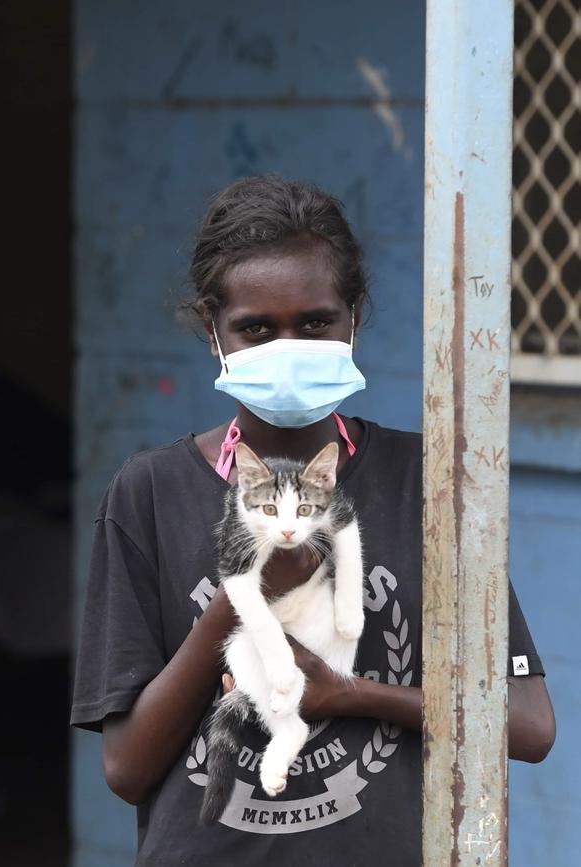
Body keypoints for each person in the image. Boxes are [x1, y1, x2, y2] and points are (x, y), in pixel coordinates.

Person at [70, 176, 555, 866]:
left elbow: (530, 724)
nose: (287, 346)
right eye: (257, 328)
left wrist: (353, 693)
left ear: (353, 318)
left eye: (316, 321)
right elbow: (126, 768)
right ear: (215, 332)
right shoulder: (147, 494)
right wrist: (242, 599)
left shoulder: (430, 482)